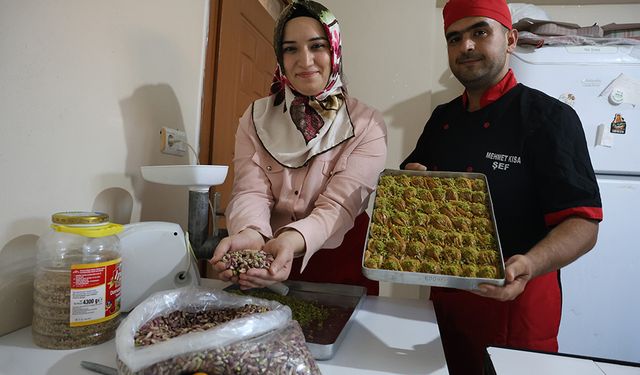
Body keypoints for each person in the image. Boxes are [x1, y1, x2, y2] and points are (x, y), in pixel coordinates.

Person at [401, 0, 603, 373]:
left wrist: (529, 263)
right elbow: (414, 185)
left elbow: (583, 225)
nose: (467, 46)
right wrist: (413, 183)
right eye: (454, 37)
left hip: (516, 308)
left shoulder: (550, 119)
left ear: (509, 39)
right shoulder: (442, 119)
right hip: (444, 305)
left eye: (480, 31)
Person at [210, 0, 386, 295]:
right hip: (264, 255)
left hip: (338, 258)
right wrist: (251, 232)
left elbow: (340, 206)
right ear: (279, 55)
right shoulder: (256, 117)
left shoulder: (366, 123)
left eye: (317, 46)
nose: (304, 61)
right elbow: (250, 189)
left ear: (335, 50)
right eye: (291, 48)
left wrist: (291, 241)